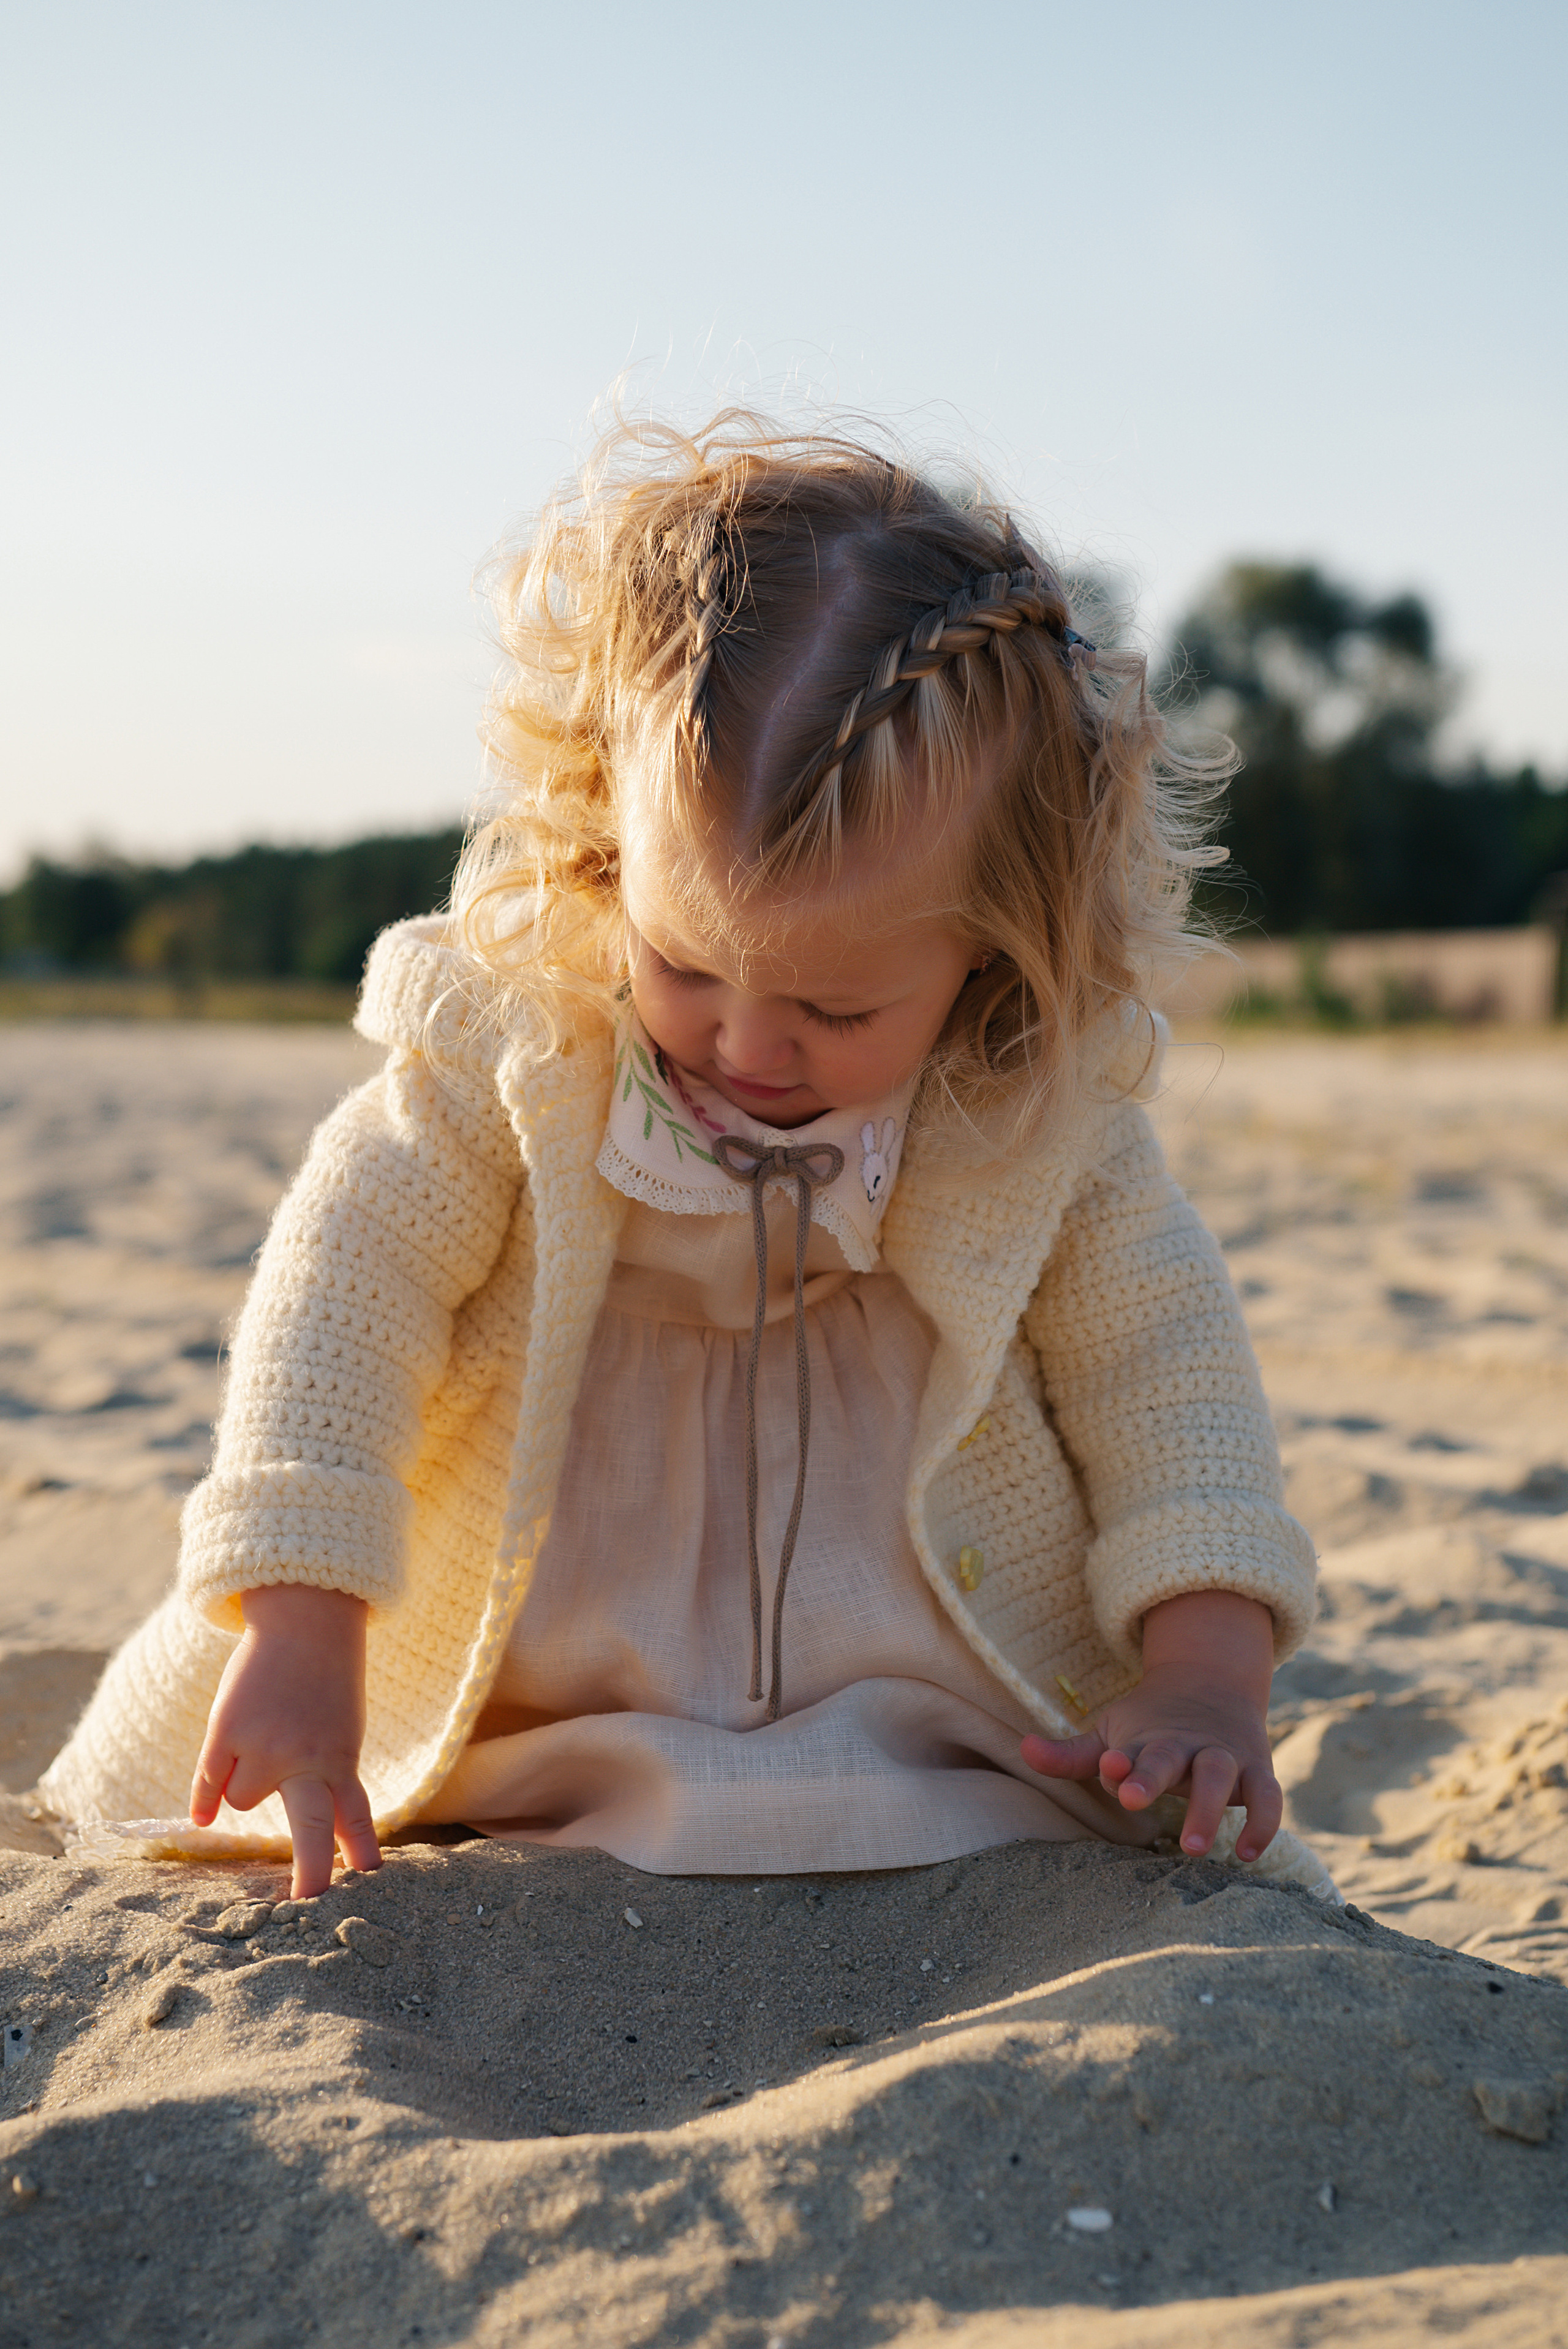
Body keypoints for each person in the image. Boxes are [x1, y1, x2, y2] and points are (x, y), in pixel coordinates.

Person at [43, 412, 1322, 1904]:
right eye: (685, 965)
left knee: (990, 1792)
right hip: (525, 1654)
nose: (746, 1045)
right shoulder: (514, 1054)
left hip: (910, 1671)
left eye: (836, 1007)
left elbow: (1168, 1384)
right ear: (607, 839)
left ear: (999, 944)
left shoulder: (1035, 1123)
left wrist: (1206, 1675)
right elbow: (340, 1301)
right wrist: (304, 1628)